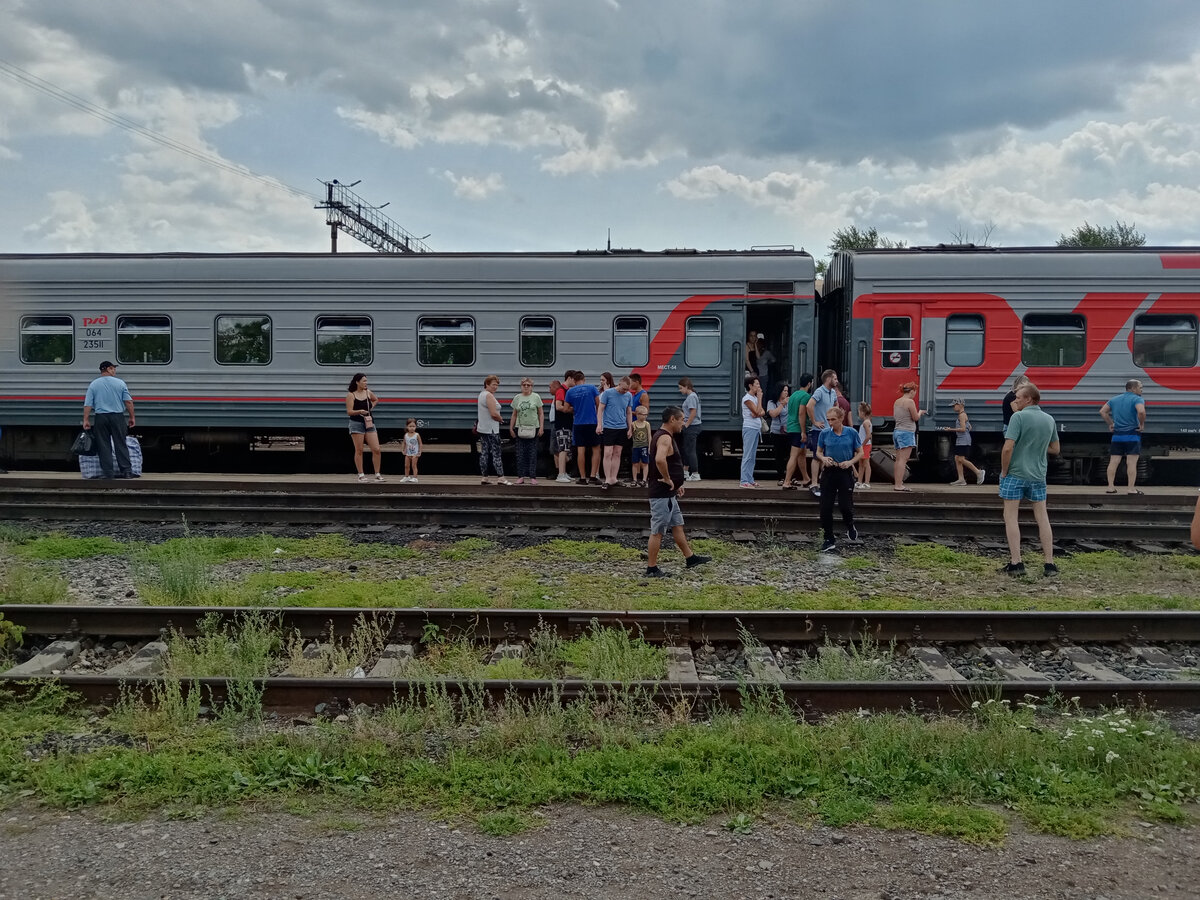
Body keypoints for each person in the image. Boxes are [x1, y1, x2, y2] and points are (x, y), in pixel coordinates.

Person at [998, 382, 1060, 577]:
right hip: (1038, 475)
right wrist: (1036, 447)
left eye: (1018, 398)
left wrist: (1004, 471)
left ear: (1029, 399)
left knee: (1011, 517)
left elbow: (1008, 448)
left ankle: (1016, 563)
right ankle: (1049, 564)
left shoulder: (1018, 417)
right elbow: (1055, 449)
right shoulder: (1049, 419)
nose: (1015, 401)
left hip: (1015, 473)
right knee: (1042, 517)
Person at [644, 406, 711, 578]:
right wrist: (667, 479)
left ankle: (690, 558)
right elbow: (660, 459)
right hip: (662, 493)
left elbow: (667, 462)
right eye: (681, 420)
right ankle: (651, 568)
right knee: (657, 530)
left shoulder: (663, 435)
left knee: (677, 525)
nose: (683, 424)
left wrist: (676, 482)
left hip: (669, 493)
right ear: (672, 419)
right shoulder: (665, 438)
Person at [816, 406, 864, 553]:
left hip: (845, 471)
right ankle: (828, 538)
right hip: (830, 471)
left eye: (833, 420)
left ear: (841, 419)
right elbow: (818, 451)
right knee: (825, 507)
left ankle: (850, 524)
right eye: (828, 419)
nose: (830, 423)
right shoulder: (824, 433)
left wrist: (850, 462)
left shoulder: (851, 433)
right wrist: (823, 458)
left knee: (845, 505)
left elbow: (860, 452)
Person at [83, 361, 137, 480]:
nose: (114, 371)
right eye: (113, 369)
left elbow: (88, 404)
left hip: (101, 417)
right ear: (107, 369)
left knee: (104, 445)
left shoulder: (94, 384)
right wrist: (132, 417)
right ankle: (127, 471)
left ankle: (108, 473)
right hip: (117, 417)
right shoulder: (120, 383)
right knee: (120, 443)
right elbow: (128, 401)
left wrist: (86, 419)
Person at [1100, 379, 1147, 494]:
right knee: (1131, 462)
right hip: (1132, 435)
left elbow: (1102, 411)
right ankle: (1131, 488)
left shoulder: (1115, 399)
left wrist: (1111, 424)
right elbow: (1141, 411)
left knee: (1114, 461)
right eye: (1140, 387)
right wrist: (1141, 424)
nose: (1142, 390)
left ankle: (1110, 487)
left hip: (1117, 436)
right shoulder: (1137, 399)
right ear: (1133, 388)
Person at [596, 375, 634, 489]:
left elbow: (628, 412)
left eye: (627, 389)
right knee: (608, 452)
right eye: (624, 389)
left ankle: (614, 478)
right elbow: (600, 409)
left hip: (621, 427)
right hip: (609, 426)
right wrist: (599, 424)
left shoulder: (628, 395)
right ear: (620, 384)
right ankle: (607, 479)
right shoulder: (608, 393)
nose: (625, 391)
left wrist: (629, 427)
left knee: (617, 453)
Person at [344, 372, 383, 482]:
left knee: (376, 449)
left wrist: (371, 408)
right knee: (359, 450)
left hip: (369, 423)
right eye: (364, 381)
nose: (366, 383)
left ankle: (377, 473)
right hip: (356, 423)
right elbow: (349, 412)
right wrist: (360, 411)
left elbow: (376, 399)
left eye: (366, 381)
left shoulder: (368, 392)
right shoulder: (351, 395)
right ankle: (361, 474)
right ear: (357, 382)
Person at [806, 369, 839, 496]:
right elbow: (809, 405)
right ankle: (814, 483)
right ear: (828, 379)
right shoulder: (819, 391)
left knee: (827, 455)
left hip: (829, 429)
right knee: (816, 456)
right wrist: (814, 421)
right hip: (819, 430)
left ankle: (825, 481)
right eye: (835, 379)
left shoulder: (833, 392)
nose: (837, 381)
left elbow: (835, 405)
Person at [566, 371, 602, 485]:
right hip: (592, 422)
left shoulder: (570, 391)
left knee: (580, 450)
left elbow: (566, 408)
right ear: (584, 379)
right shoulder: (592, 388)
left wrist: (576, 409)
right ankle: (592, 476)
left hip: (578, 423)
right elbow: (599, 404)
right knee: (596, 449)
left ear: (574, 380)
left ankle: (582, 478)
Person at [891, 382, 926, 492]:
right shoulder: (910, 402)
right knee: (903, 460)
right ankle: (898, 485)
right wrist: (920, 412)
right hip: (906, 432)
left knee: (898, 460)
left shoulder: (897, 401)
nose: (915, 394)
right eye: (915, 391)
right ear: (912, 391)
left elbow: (895, 416)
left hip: (897, 431)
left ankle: (898, 482)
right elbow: (915, 418)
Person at [477, 375, 511, 486]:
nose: (495, 387)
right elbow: (493, 413)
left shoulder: (481, 394)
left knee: (484, 453)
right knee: (496, 454)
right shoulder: (489, 396)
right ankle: (501, 477)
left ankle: (484, 477)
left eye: (497, 385)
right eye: (493, 385)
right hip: (492, 430)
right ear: (487, 384)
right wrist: (501, 419)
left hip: (483, 428)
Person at [509, 377, 544, 485]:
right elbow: (514, 414)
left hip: (533, 427)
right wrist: (511, 427)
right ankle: (521, 476)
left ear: (531, 387)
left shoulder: (536, 397)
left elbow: (541, 413)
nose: (526, 387)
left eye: (528, 385)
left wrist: (541, 427)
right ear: (521, 386)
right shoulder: (517, 398)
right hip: (520, 427)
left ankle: (533, 476)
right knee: (520, 453)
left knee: (532, 453)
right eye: (524, 385)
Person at [943, 398, 985, 486]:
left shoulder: (962, 415)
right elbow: (969, 427)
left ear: (960, 405)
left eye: (954, 405)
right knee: (957, 458)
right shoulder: (963, 415)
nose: (953, 407)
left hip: (963, 440)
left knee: (961, 459)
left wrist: (950, 429)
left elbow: (962, 429)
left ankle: (978, 472)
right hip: (962, 439)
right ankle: (961, 479)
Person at [782, 373, 813, 490]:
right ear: (809, 383)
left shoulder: (794, 394)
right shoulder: (805, 396)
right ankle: (787, 482)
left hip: (790, 427)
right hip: (798, 429)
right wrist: (803, 431)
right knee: (794, 455)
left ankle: (806, 478)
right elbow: (801, 413)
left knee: (802, 454)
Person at [740, 374, 765, 488]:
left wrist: (757, 412)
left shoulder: (754, 398)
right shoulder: (747, 399)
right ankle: (743, 480)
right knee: (747, 454)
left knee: (753, 455)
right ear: (750, 386)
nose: (759, 387)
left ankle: (750, 479)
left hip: (756, 428)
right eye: (757, 384)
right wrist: (760, 399)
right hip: (749, 428)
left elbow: (762, 412)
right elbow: (757, 411)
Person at [677, 377, 703, 481]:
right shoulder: (693, 396)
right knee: (687, 450)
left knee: (690, 451)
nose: (680, 390)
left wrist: (686, 424)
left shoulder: (691, 397)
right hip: (693, 426)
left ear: (687, 387)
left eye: (681, 388)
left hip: (692, 427)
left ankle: (696, 473)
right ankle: (686, 472)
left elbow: (693, 412)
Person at [766, 382, 791, 485]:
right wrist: (782, 404)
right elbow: (773, 414)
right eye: (784, 391)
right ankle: (780, 476)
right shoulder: (772, 402)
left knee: (789, 455)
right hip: (776, 431)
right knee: (779, 455)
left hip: (788, 431)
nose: (786, 393)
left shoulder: (790, 402)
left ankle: (790, 476)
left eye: (787, 391)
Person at [553, 371, 576, 482]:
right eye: (574, 380)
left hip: (567, 423)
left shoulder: (566, 391)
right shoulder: (561, 390)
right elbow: (558, 406)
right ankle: (560, 474)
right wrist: (571, 409)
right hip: (562, 424)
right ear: (570, 378)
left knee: (566, 448)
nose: (575, 383)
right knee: (563, 449)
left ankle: (564, 472)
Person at [631, 405, 651, 486]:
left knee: (645, 463)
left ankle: (644, 479)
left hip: (644, 446)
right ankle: (634, 479)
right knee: (635, 463)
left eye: (646, 414)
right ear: (638, 414)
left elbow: (649, 435)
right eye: (643, 414)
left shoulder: (647, 424)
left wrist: (649, 446)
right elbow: (631, 434)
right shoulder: (633, 424)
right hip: (636, 446)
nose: (645, 416)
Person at [855, 401, 873, 490]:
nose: (859, 414)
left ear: (862, 412)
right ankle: (859, 481)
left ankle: (867, 482)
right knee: (861, 463)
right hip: (864, 445)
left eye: (859, 412)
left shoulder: (866, 423)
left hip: (864, 446)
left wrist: (862, 445)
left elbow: (868, 435)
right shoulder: (867, 422)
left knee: (866, 463)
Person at [401, 418, 422, 483]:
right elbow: (404, 443)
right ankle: (406, 476)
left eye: (413, 426)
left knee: (414, 465)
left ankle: (415, 478)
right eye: (410, 426)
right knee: (406, 465)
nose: (412, 428)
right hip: (408, 453)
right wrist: (403, 450)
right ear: (407, 426)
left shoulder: (417, 435)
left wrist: (419, 451)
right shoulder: (406, 435)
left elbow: (420, 443)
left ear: (416, 427)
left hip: (415, 453)